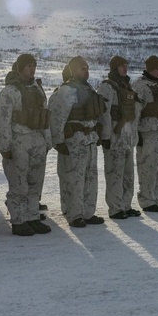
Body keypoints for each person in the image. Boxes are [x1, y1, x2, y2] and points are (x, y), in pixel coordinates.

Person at [48, 56, 108, 228]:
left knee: (90, 178)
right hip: (73, 142)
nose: (86, 71)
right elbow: (56, 117)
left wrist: (99, 133)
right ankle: (74, 214)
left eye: (87, 68)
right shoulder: (66, 91)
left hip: (89, 141)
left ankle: (88, 212)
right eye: (82, 68)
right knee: (73, 178)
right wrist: (58, 141)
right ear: (73, 71)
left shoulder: (89, 90)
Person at [0, 54, 52, 236]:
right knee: (19, 184)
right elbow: (3, 122)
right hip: (18, 142)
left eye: (34, 65)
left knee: (36, 183)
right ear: (19, 68)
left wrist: (47, 141)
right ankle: (19, 220)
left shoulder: (37, 89)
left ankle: (32, 217)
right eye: (28, 66)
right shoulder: (9, 92)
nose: (32, 69)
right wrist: (4, 147)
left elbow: (44, 116)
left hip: (37, 140)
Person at [98, 56, 143, 220]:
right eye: (121, 66)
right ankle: (116, 208)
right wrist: (105, 136)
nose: (125, 68)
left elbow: (134, 114)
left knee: (128, 175)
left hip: (127, 138)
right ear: (114, 68)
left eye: (126, 66)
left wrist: (135, 136)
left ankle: (126, 205)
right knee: (114, 174)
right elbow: (104, 113)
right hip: (115, 138)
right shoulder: (107, 87)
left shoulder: (127, 86)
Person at [133, 55, 158, 213]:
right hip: (147, 133)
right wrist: (137, 134)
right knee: (147, 167)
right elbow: (136, 112)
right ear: (150, 69)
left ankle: (157, 198)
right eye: (157, 68)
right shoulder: (140, 86)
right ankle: (147, 200)